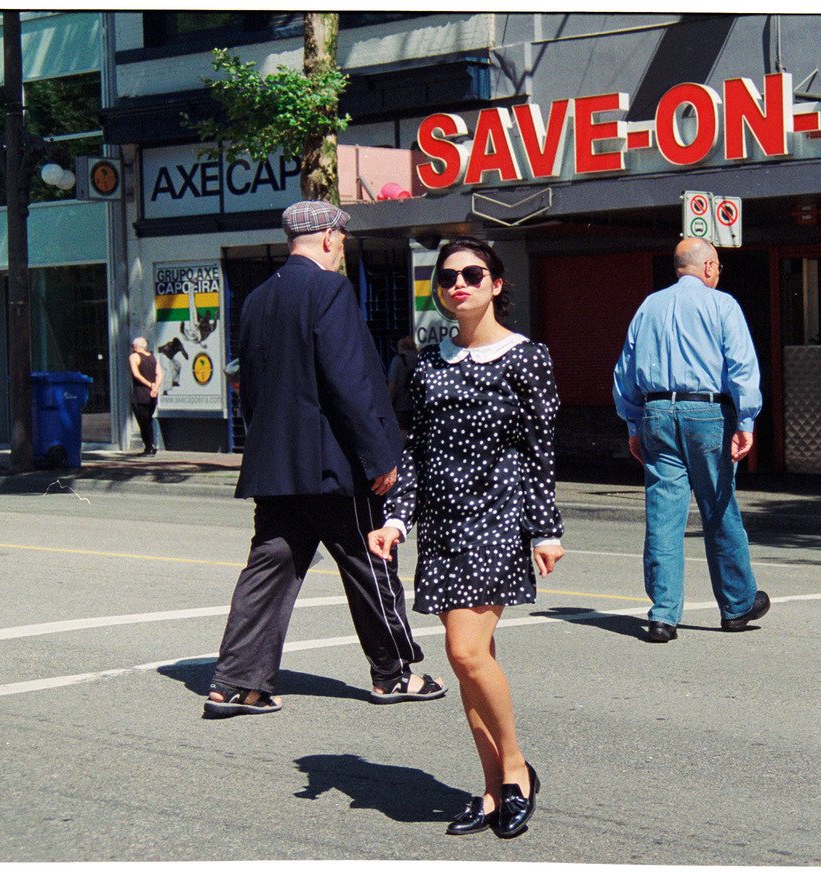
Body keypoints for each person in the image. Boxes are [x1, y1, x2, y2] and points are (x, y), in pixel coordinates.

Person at [204, 200, 445, 719]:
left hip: (276, 465)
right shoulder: (329, 289)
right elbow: (350, 381)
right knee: (370, 564)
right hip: (335, 464)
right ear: (332, 238)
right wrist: (380, 454)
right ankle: (395, 673)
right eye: (343, 241)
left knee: (268, 569)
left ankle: (236, 682)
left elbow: (250, 387)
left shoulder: (257, 299)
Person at [367, 236, 564, 839]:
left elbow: (539, 451)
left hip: (498, 516)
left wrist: (545, 529)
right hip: (445, 524)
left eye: (473, 274)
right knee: (474, 663)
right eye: (449, 277)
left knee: (464, 653)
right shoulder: (430, 364)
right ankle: (489, 789)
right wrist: (397, 518)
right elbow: (416, 453)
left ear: (496, 284)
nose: (460, 284)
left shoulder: (528, 357)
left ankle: (515, 771)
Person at [612, 237, 770, 644]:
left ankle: (663, 615)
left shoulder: (648, 307)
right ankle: (737, 605)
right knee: (718, 506)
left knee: (664, 514)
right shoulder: (722, 305)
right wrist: (747, 420)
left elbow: (624, 372)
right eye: (717, 266)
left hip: (656, 413)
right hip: (707, 413)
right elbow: (741, 366)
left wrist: (634, 425)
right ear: (709, 267)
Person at [128, 336, 163, 456]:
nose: (132, 348)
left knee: (143, 422)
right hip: (153, 395)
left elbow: (136, 374)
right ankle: (151, 445)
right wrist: (156, 387)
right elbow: (160, 373)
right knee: (148, 419)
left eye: (132, 346)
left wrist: (150, 385)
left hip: (140, 394)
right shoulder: (153, 357)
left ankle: (149, 447)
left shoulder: (134, 356)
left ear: (136, 347)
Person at [386, 334, 419, 434]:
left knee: (402, 431)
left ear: (400, 347)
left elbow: (392, 384)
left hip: (401, 404)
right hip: (417, 404)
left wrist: (387, 401)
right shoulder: (420, 358)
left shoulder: (398, 360)